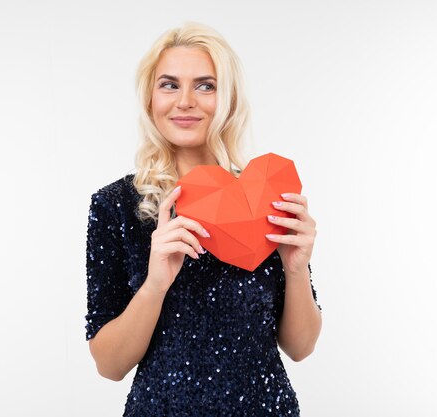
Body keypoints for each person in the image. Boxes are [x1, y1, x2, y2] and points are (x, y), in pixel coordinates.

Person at [84, 22, 322, 416]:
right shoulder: (115, 205)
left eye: (206, 85)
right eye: (170, 84)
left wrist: (295, 269)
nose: (186, 101)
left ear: (227, 99)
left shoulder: (264, 195)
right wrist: (155, 285)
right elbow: (109, 366)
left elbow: (301, 347)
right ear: (150, 98)